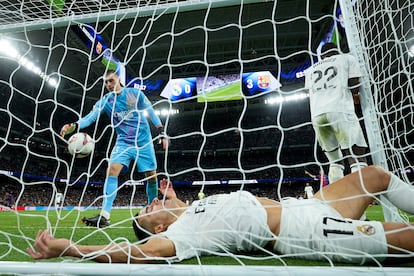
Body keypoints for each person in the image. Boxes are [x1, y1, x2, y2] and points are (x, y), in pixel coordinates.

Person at [28, 166, 414, 264]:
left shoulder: (191, 207)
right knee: (406, 239)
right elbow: (142, 251)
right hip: (308, 231)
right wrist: (72, 249)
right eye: (149, 211)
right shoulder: (184, 234)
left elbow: (174, 204)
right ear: (160, 227)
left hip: (307, 206)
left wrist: (172, 197)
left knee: (374, 176)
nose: (152, 202)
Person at [60, 69, 167, 228]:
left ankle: (154, 210)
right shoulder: (106, 101)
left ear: (118, 79)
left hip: (143, 142)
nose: (108, 84)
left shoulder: (132, 94)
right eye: (105, 82)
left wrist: (161, 131)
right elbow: (91, 117)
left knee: (151, 176)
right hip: (123, 142)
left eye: (111, 80)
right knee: (112, 170)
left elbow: (150, 110)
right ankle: (105, 216)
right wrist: (74, 125)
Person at [304, 42, 368, 183]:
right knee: (356, 155)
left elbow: (309, 92)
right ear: (337, 51)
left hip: (317, 116)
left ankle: (337, 201)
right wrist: (357, 99)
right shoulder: (346, 58)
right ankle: (361, 194)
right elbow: (354, 84)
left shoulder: (309, 70)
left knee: (335, 161)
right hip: (340, 109)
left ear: (322, 56)